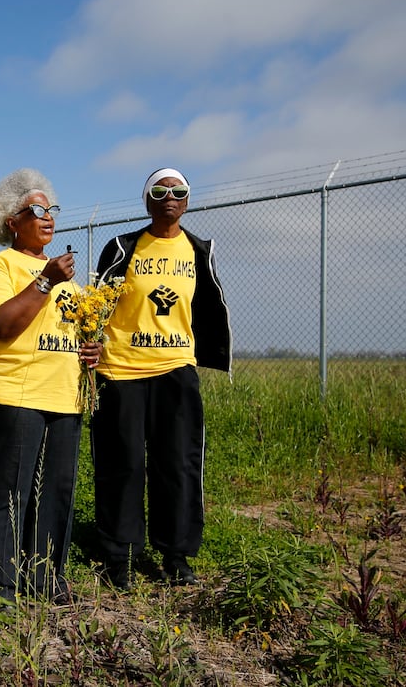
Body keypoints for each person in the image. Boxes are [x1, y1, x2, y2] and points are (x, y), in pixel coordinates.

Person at [91, 167, 231, 587]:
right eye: (159, 190)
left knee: (179, 465)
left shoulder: (198, 250)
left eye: (178, 191)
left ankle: (177, 555)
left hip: (176, 371)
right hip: (121, 370)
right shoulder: (122, 247)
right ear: (147, 200)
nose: (169, 196)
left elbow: (205, 306)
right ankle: (119, 556)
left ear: (187, 202)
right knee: (124, 464)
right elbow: (97, 303)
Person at [0, 169, 101, 605]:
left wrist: (91, 351)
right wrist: (44, 280)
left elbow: (76, 334)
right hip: (14, 395)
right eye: (36, 210)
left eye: (52, 210)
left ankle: (45, 577)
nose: (47, 218)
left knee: (55, 493)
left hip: (65, 397)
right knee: (10, 491)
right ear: (12, 220)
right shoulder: (0, 265)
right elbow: (0, 326)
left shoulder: (72, 282)